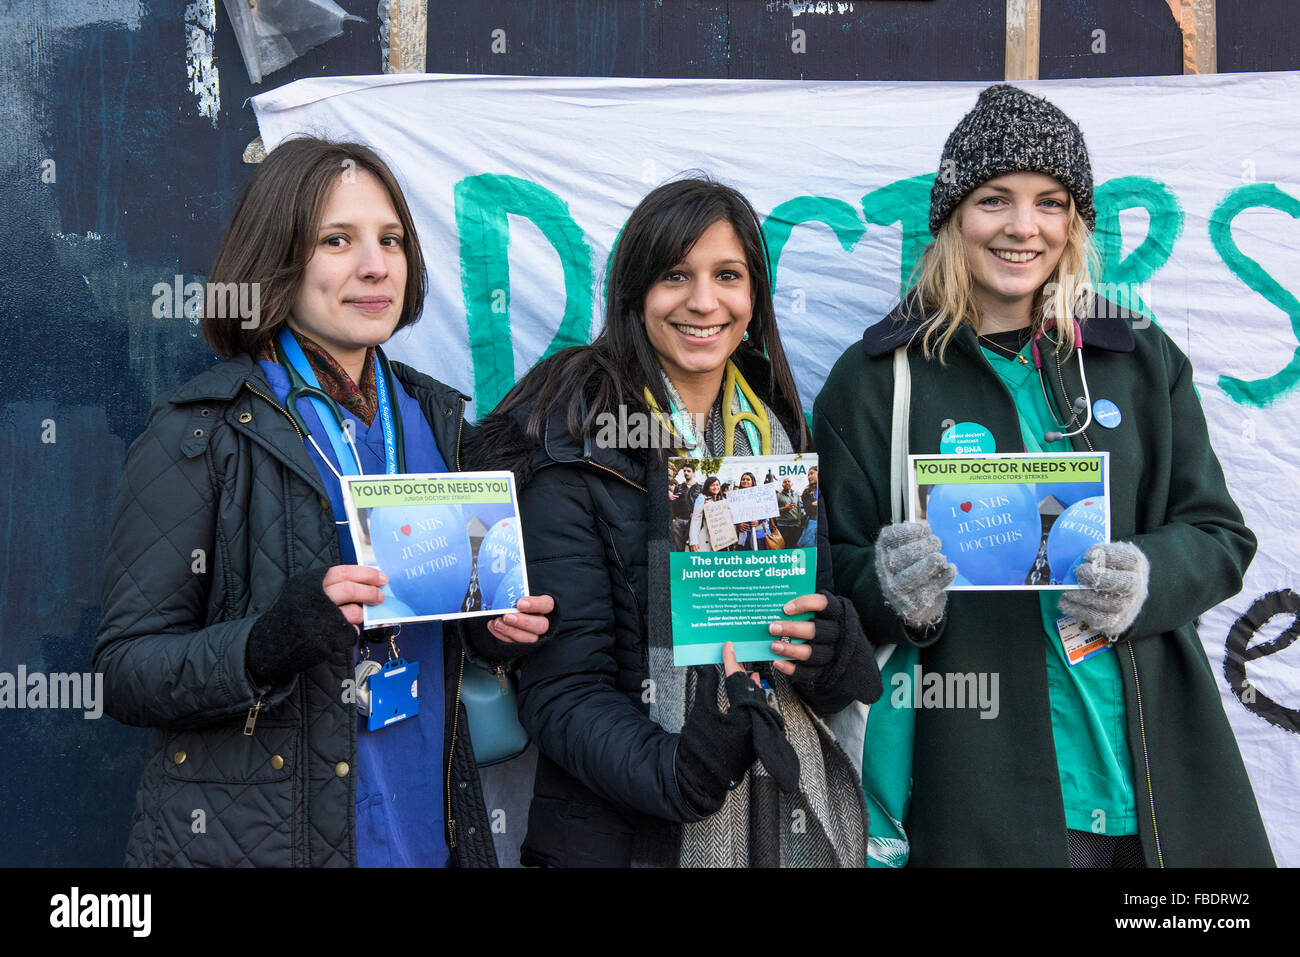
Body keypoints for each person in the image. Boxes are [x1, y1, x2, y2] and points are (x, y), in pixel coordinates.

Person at [814, 84, 1274, 867]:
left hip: (1153, 779)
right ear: (954, 215)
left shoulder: (1135, 355)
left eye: (1050, 201)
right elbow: (832, 576)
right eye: (995, 198)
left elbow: (1220, 534)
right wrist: (891, 589)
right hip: (984, 788)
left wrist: (1148, 576)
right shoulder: (875, 379)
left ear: (1074, 221)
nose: (1024, 227)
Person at [93, 137, 553, 868]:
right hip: (272, 841)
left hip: (427, 832)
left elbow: (442, 619)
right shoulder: (202, 430)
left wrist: (494, 630)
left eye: (391, 239)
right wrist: (266, 642)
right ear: (275, 258)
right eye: (337, 240)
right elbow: (123, 670)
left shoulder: (435, 421)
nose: (376, 263)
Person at [471, 177, 881, 867]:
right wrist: (683, 770)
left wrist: (831, 649)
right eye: (675, 276)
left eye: (728, 275)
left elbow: (834, 675)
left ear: (754, 298)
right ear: (635, 294)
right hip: (628, 840)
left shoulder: (779, 435)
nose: (703, 301)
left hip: (780, 825)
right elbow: (562, 692)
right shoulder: (579, 441)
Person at [688, 474, 726, 552]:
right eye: (712, 485)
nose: (716, 487)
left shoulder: (722, 499)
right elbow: (696, 519)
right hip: (705, 537)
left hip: (721, 538)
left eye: (717, 485)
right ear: (707, 486)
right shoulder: (700, 498)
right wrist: (693, 541)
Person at [669, 463, 701, 551]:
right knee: (679, 547)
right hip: (678, 521)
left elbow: (700, 505)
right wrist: (673, 519)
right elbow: (673, 504)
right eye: (684, 471)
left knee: (691, 546)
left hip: (693, 522)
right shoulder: (678, 487)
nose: (686, 473)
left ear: (693, 473)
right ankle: (680, 562)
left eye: (689, 471)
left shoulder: (699, 488)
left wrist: (695, 514)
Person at [733, 471, 767, 550]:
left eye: (748, 479)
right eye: (743, 479)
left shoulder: (759, 495)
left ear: (753, 482)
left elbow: (766, 511)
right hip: (743, 536)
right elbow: (732, 514)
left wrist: (758, 521)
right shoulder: (735, 497)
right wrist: (738, 524)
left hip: (757, 535)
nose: (745, 481)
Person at [775, 477, 804, 545]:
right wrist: (784, 508)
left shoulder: (796, 495)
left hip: (795, 526)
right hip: (783, 526)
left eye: (788, 481)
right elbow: (774, 511)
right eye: (785, 482)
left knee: (794, 546)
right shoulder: (778, 496)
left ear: (792, 484)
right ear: (782, 485)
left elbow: (799, 510)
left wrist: (799, 523)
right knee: (785, 547)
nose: (787, 483)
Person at [796, 465, 819, 547]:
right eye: (808, 475)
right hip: (813, 522)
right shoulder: (807, 492)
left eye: (812, 473)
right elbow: (809, 510)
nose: (809, 476)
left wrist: (815, 503)